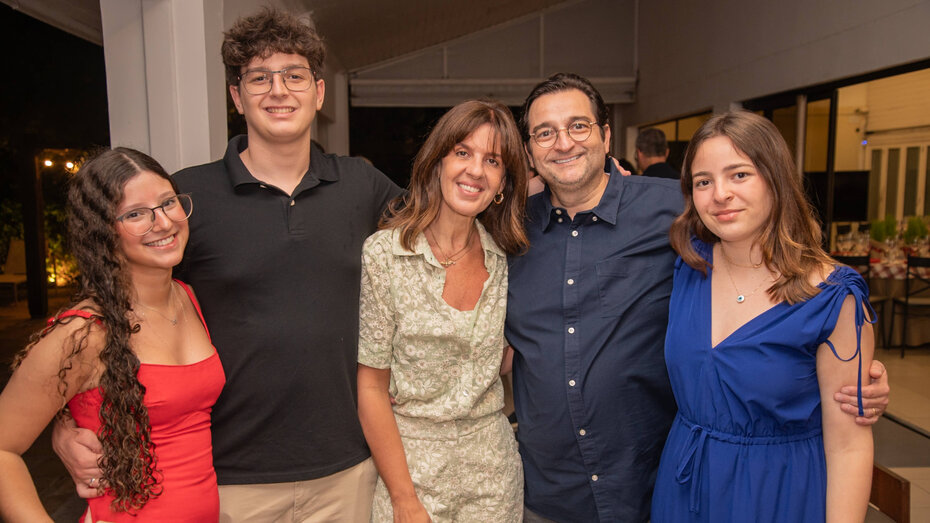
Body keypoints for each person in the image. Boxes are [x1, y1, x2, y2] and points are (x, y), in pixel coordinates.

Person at [53, 9, 403, 522]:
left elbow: (447, 240)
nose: (278, 91)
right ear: (237, 97)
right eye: (259, 78)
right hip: (227, 476)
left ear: (319, 92)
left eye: (294, 75)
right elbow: (108, 308)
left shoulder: (362, 187)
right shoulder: (187, 199)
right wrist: (66, 420)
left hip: (346, 471)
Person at [504, 73, 890, 523]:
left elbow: (844, 430)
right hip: (559, 494)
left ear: (606, 136)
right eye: (544, 133)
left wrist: (858, 373)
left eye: (579, 126)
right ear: (529, 149)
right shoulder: (509, 230)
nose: (720, 194)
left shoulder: (674, 222)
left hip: (659, 487)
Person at [651, 110, 874, 522]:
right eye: (704, 181)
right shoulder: (688, 265)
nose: (720, 194)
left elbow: (849, 446)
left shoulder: (832, 297)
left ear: (776, 179)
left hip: (778, 492)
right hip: (685, 488)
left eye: (739, 175)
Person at [0, 148, 224, 521]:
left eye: (168, 203)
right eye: (136, 214)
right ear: (102, 231)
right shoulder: (84, 332)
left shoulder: (188, 298)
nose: (164, 222)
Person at [357, 99, 528, 522]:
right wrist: (403, 499)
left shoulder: (507, 258)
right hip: (412, 473)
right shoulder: (386, 255)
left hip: (494, 479)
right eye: (462, 152)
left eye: (492, 160)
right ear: (437, 161)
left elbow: (506, 355)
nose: (475, 171)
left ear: (502, 182)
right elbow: (372, 389)